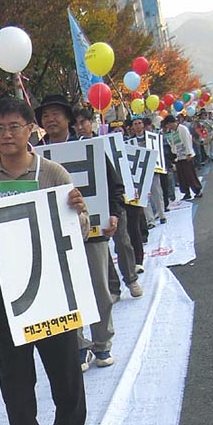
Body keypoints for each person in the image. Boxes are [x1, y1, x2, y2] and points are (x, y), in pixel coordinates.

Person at [0, 95, 89, 425]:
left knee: (64, 368)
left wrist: (80, 211)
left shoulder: (51, 172)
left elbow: (76, 232)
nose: (6, 134)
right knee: (15, 376)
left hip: (50, 286)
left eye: (13, 126)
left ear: (29, 129)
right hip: (4, 289)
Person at [73, 108, 143, 306]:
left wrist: (115, 208)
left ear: (91, 122)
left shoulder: (108, 144)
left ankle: (131, 279)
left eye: (83, 122)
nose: (80, 127)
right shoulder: (72, 148)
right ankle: (114, 287)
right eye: (76, 124)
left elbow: (117, 179)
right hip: (90, 207)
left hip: (113, 203)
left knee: (122, 242)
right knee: (101, 248)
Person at [128, 117, 167, 226]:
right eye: (135, 123)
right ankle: (150, 220)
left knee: (157, 193)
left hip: (153, 169)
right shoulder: (130, 141)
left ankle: (161, 214)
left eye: (139, 123)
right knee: (143, 196)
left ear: (143, 125)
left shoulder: (152, 138)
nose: (137, 125)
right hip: (140, 172)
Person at [162, 114, 203, 201]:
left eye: (168, 125)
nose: (168, 127)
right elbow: (173, 144)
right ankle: (186, 192)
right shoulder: (172, 132)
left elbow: (187, 140)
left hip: (186, 156)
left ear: (170, 123)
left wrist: (189, 153)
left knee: (190, 175)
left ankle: (197, 190)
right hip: (179, 156)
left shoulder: (183, 129)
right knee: (182, 177)